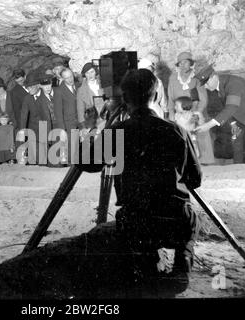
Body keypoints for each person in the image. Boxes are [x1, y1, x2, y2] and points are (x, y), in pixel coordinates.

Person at [76, 69, 202, 285]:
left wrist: (91, 130)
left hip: (138, 221)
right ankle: (183, 257)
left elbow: (87, 164)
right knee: (188, 216)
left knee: (133, 237)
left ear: (124, 98)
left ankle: (146, 261)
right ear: (155, 96)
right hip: (175, 220)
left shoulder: (116, 132)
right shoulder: (176, 131)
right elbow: (195, 179)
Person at [194, 64, 245, 164]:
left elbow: (231, 107)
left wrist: (208, 125)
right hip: (243, 114)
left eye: (206, 83)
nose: (205, 86)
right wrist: (233, 123)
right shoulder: (219, 85)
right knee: (237, 142)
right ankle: (239, 171)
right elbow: (226, 107)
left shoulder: (233, 84)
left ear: (214, 76)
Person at [54, 68, 79, 163]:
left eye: (71, 76)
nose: (70, 79)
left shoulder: (78, 85)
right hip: (68, 124)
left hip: (80, 121)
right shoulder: (59, 91)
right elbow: (58, 111)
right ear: (62, 79)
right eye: (67, 78)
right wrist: (62, 129)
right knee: (71, 149)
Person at [19, 71, 42, 165]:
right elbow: (23, 116)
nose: (30, 89)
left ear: (38, 85)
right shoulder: (27, 98)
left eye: (32, 86)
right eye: (28, 87)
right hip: (34, 129)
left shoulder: (46, 95)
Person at [37, 73, 59, 166]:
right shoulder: (39, 101)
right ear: (40, 86)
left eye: (49, 84)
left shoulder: (59, 93)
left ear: (51, 83)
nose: (47, 87)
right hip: (49, 130)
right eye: (44, 85)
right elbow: (40, 119)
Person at [76, 62, 106, 130]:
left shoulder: (103, 85)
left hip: (106, 118)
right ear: (84, 75)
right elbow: (80, 111)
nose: (90, 75)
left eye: (92, 72)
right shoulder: (81, 90)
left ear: (96, 72)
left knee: (110, 139)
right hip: (92, 121)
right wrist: (84, 128)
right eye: (87, 73)